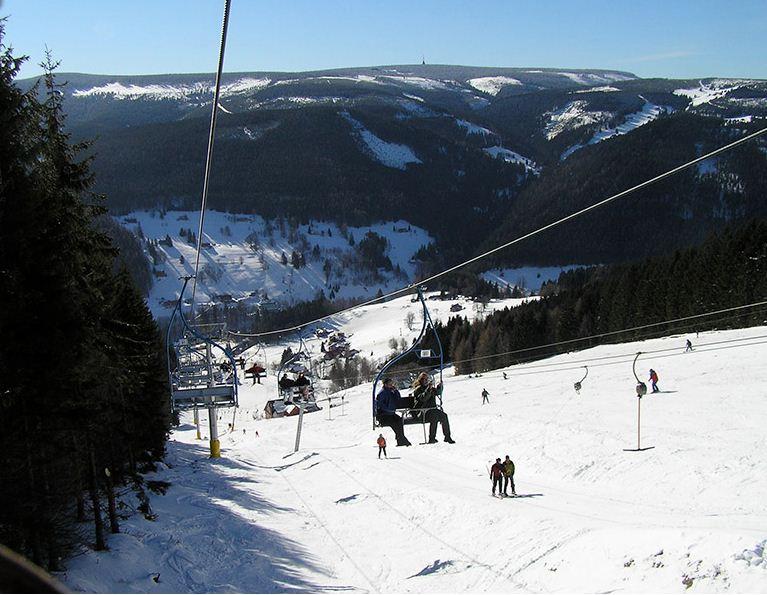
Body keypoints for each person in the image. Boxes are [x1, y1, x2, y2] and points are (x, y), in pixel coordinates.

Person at [412, 372, 455, 444]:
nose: (425, 381)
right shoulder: (418, 390)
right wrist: (428, 389)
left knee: (444, 416)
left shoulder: (430, 388)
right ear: (420, 380)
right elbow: (423, 398)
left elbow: (438, 392)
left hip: (432, 410)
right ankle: (432, 438)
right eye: (423, 379)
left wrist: (440, 387)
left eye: (426, 379)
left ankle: (447, 437)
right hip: (423, 412)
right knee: (434, 417)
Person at [375, 378, 412, 446]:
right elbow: (380, 405)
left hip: (391, 414)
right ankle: (403, 440)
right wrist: (388, 410)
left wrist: (396, 391)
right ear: (385, 384)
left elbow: (398, 398)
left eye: (391, 384)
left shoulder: (391, 391)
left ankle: (400, 440)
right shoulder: (382, 393)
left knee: (399, 420)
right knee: (395, 424)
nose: (391, 385)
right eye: (390, 384)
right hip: (383, 415)